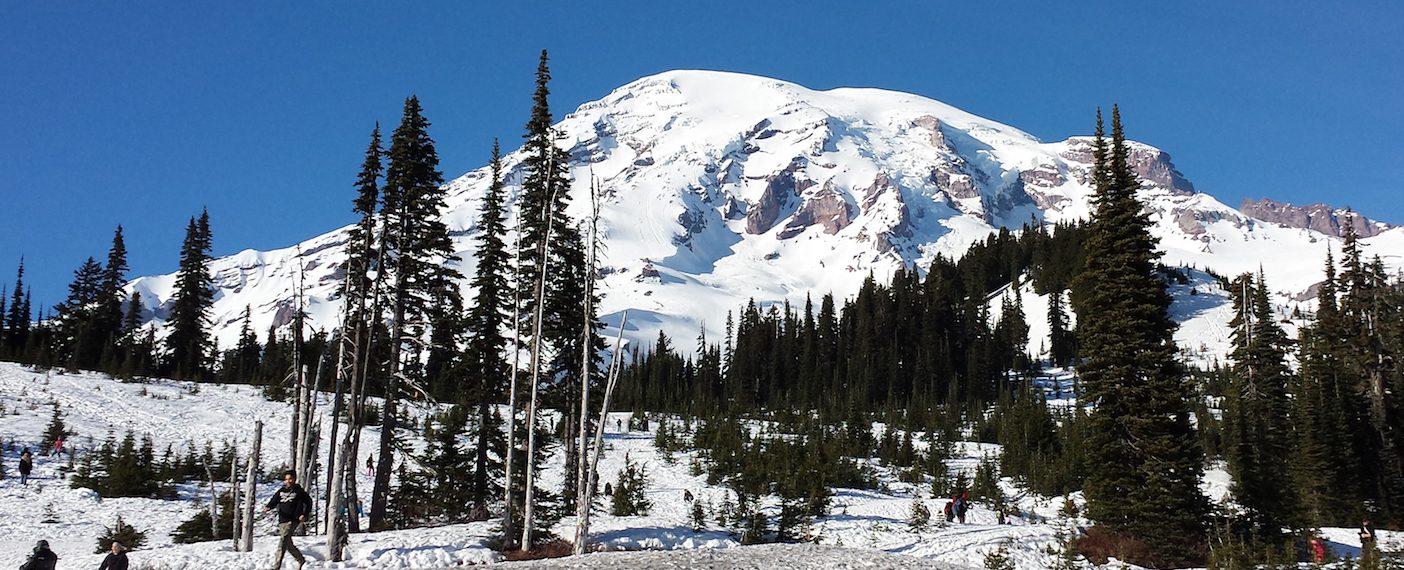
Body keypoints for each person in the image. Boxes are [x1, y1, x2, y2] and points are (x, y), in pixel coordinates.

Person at [263, 470, 313, 569]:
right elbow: (274, 500)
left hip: (293, 519)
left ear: (294, 479)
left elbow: (309, 502)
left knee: (283, 541)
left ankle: (276, 566)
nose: (288, 481)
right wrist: (268, 507)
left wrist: (304, 514)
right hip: (282, 519)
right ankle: (301, 560)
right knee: (287, 543)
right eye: (286, 479)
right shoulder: (281, 491)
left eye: (290, 479)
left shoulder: (299, 491)